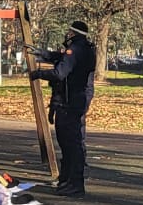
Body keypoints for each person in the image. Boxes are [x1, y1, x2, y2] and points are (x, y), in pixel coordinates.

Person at [34, 20, 96, 196]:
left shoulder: (75, 49)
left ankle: (74, 183)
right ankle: (67, 179)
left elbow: (60, 72)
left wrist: (38, 74)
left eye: (69, 32)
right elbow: (63, 58)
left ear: (72, 33)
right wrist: (45, 54)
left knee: (70, 144)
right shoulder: (85, 48)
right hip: (74, 100)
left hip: (70, 102)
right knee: (70, 143)